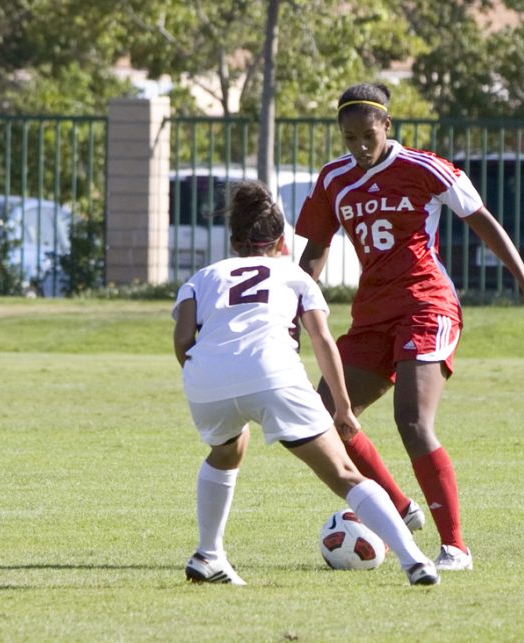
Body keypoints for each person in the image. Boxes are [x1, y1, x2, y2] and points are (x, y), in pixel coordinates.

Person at [296, 82, 524, 571]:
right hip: (372, 312)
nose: (358, 145)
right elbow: (312, 253)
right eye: (348, 136)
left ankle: (455, 547)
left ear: (387, 126)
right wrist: (293, 314)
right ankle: (397, 507)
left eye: (367, 134)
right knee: (326, 415)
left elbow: (481, 219)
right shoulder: (333, 179)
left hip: (426, 303)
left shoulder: (423, 167)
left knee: (412, 421)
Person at [172, 179, 440, 586]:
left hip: (205, 378)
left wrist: (204, 378)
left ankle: (209, 555)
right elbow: (322, 342)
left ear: (233, 241)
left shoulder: (202, 277)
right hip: (272, 372)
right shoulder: (295, 277)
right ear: (282, 241)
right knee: (346, 474)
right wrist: (344, 409)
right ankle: (415, 561)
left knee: (226, 451)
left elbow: (183, 340)